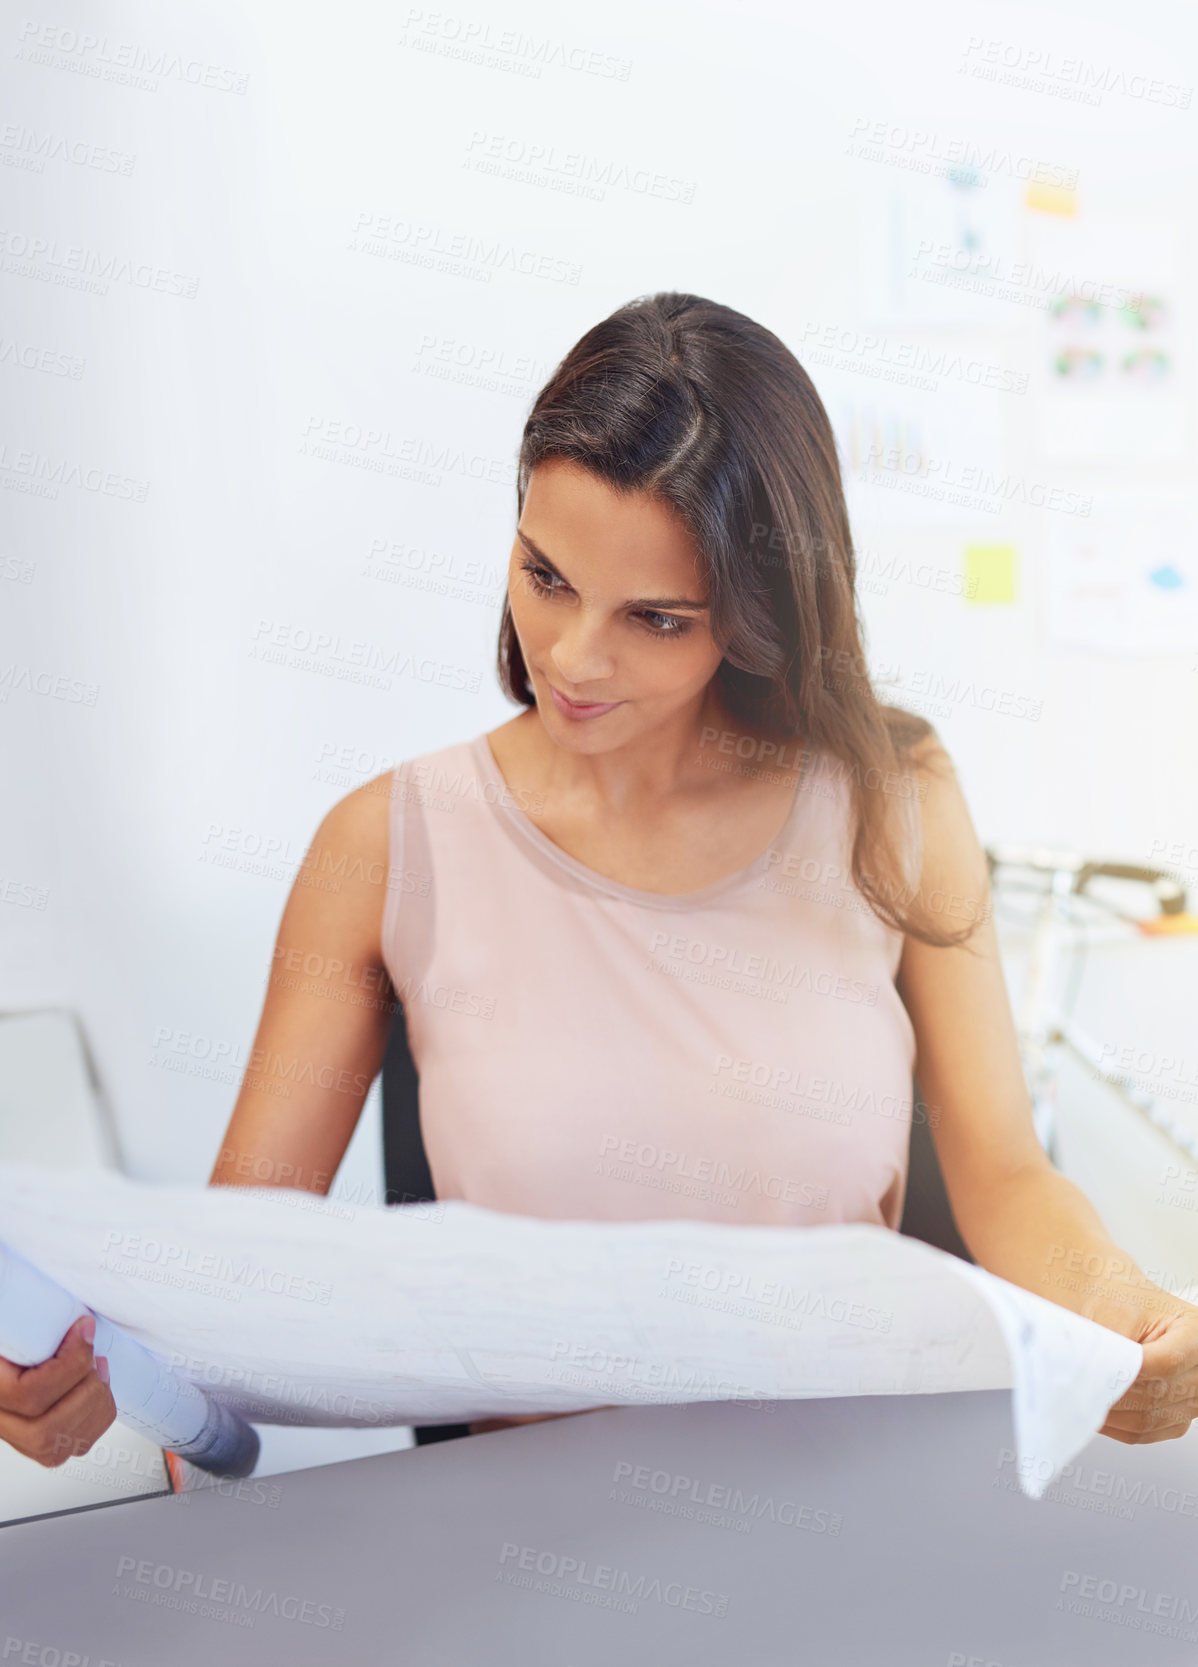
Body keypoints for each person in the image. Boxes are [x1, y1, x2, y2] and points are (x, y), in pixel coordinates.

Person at [4, 291, 1195, 1467]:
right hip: (531, 1556)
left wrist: (1125, 1308)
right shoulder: (382, 844)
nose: (570, 657)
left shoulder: (898, 797)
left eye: (658, 618)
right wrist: (103, 1385)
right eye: (546, 574)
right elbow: (233, 1299)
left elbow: (1002, 1172)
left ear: (760, 611)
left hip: (855, 1508)